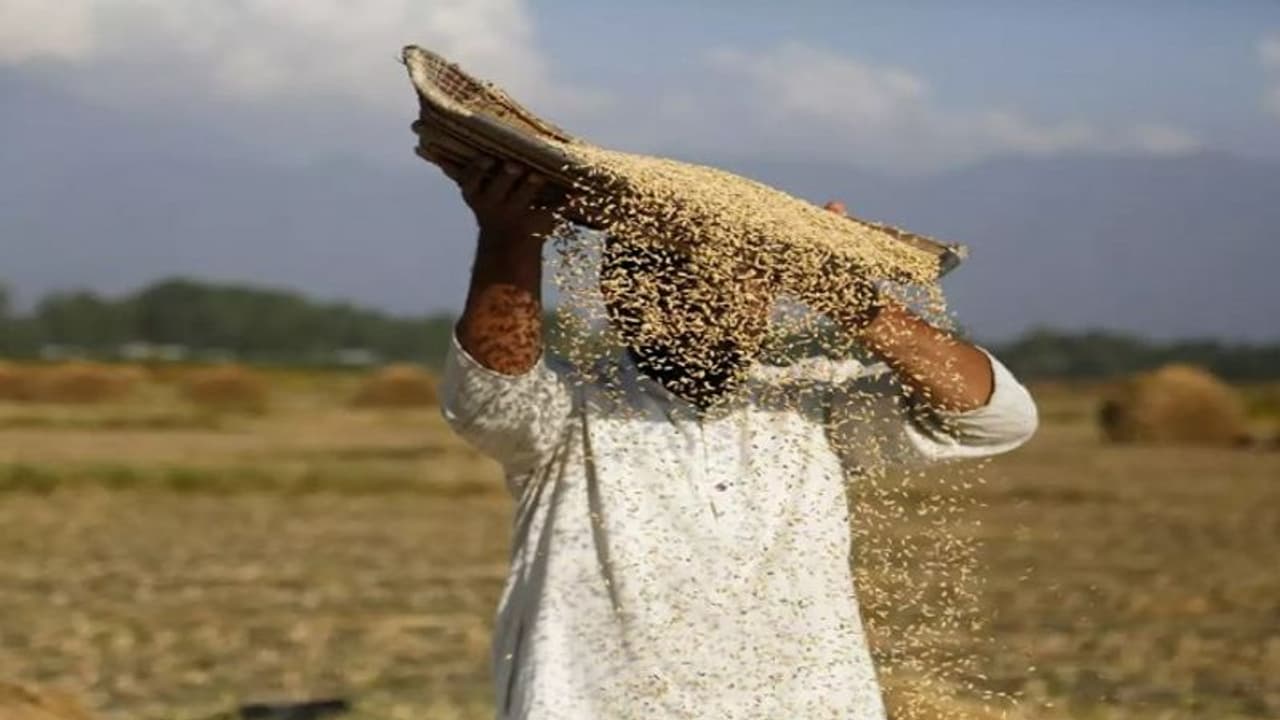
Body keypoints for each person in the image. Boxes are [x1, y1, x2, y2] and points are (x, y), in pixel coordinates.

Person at [418, 147, 1038, 720]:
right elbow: (490, 397)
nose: (700, 302)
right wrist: (508, 237)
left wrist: (850, 297)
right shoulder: (572, 412)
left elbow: (995, 416)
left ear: (769, 294)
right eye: (667, 279)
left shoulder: (811, 401)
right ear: (619, 294)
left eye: (733, 278)